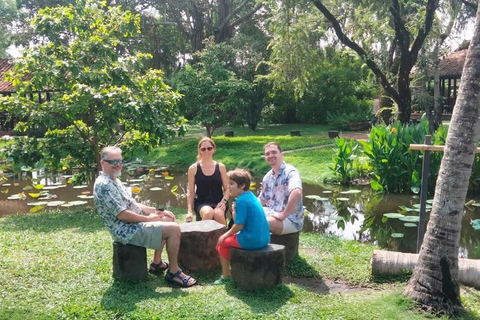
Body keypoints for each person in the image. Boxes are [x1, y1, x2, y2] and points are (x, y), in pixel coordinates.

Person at [93, 146, 196, 288]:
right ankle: (174, 272)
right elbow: (122, 215)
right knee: (173, 229)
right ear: (103, 163)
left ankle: (156, 263)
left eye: (120, 160)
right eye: (113, 161)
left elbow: (133, 204)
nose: (118, 164)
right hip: (125, 231)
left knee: (168, 219)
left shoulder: (114, 179)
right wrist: (149, 219)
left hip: (130, 225)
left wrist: (158, 212)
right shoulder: (104, 185)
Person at [214, 169, 270, 284]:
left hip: (252, 240)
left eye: (231, 184)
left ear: (242, 185)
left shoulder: (241, 201)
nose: (228, 187)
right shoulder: (251, 196)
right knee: (228, 240)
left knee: (222, 244)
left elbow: (239, 225)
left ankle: (225, 276)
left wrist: (225, 235)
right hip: (264, 239)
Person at [258, 142, 304, 235]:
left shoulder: (290, 172)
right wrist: (246, 205)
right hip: (272, 213)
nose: (270, 155)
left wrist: (283, 215)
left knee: (262, 222)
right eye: (267, 154)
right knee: (243, 212)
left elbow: (297, 192)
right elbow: (262, 199)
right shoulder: (268, 176)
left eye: (274, 152)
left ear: (281, 154)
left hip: (290, 219)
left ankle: (253, 244)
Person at [185, 137, 230, 224]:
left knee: (218, 214)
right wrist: (189, 211)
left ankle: (224, 237)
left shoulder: (220, 167)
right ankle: (202, 236)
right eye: (203, 149)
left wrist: (223, 202)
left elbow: (227, 188)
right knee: (208, 212)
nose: (206, 151)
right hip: (201, 202)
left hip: (219, 201)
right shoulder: (193, 168)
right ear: (199, 150)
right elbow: (191, 192)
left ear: (214, 149)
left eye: (209, 148)